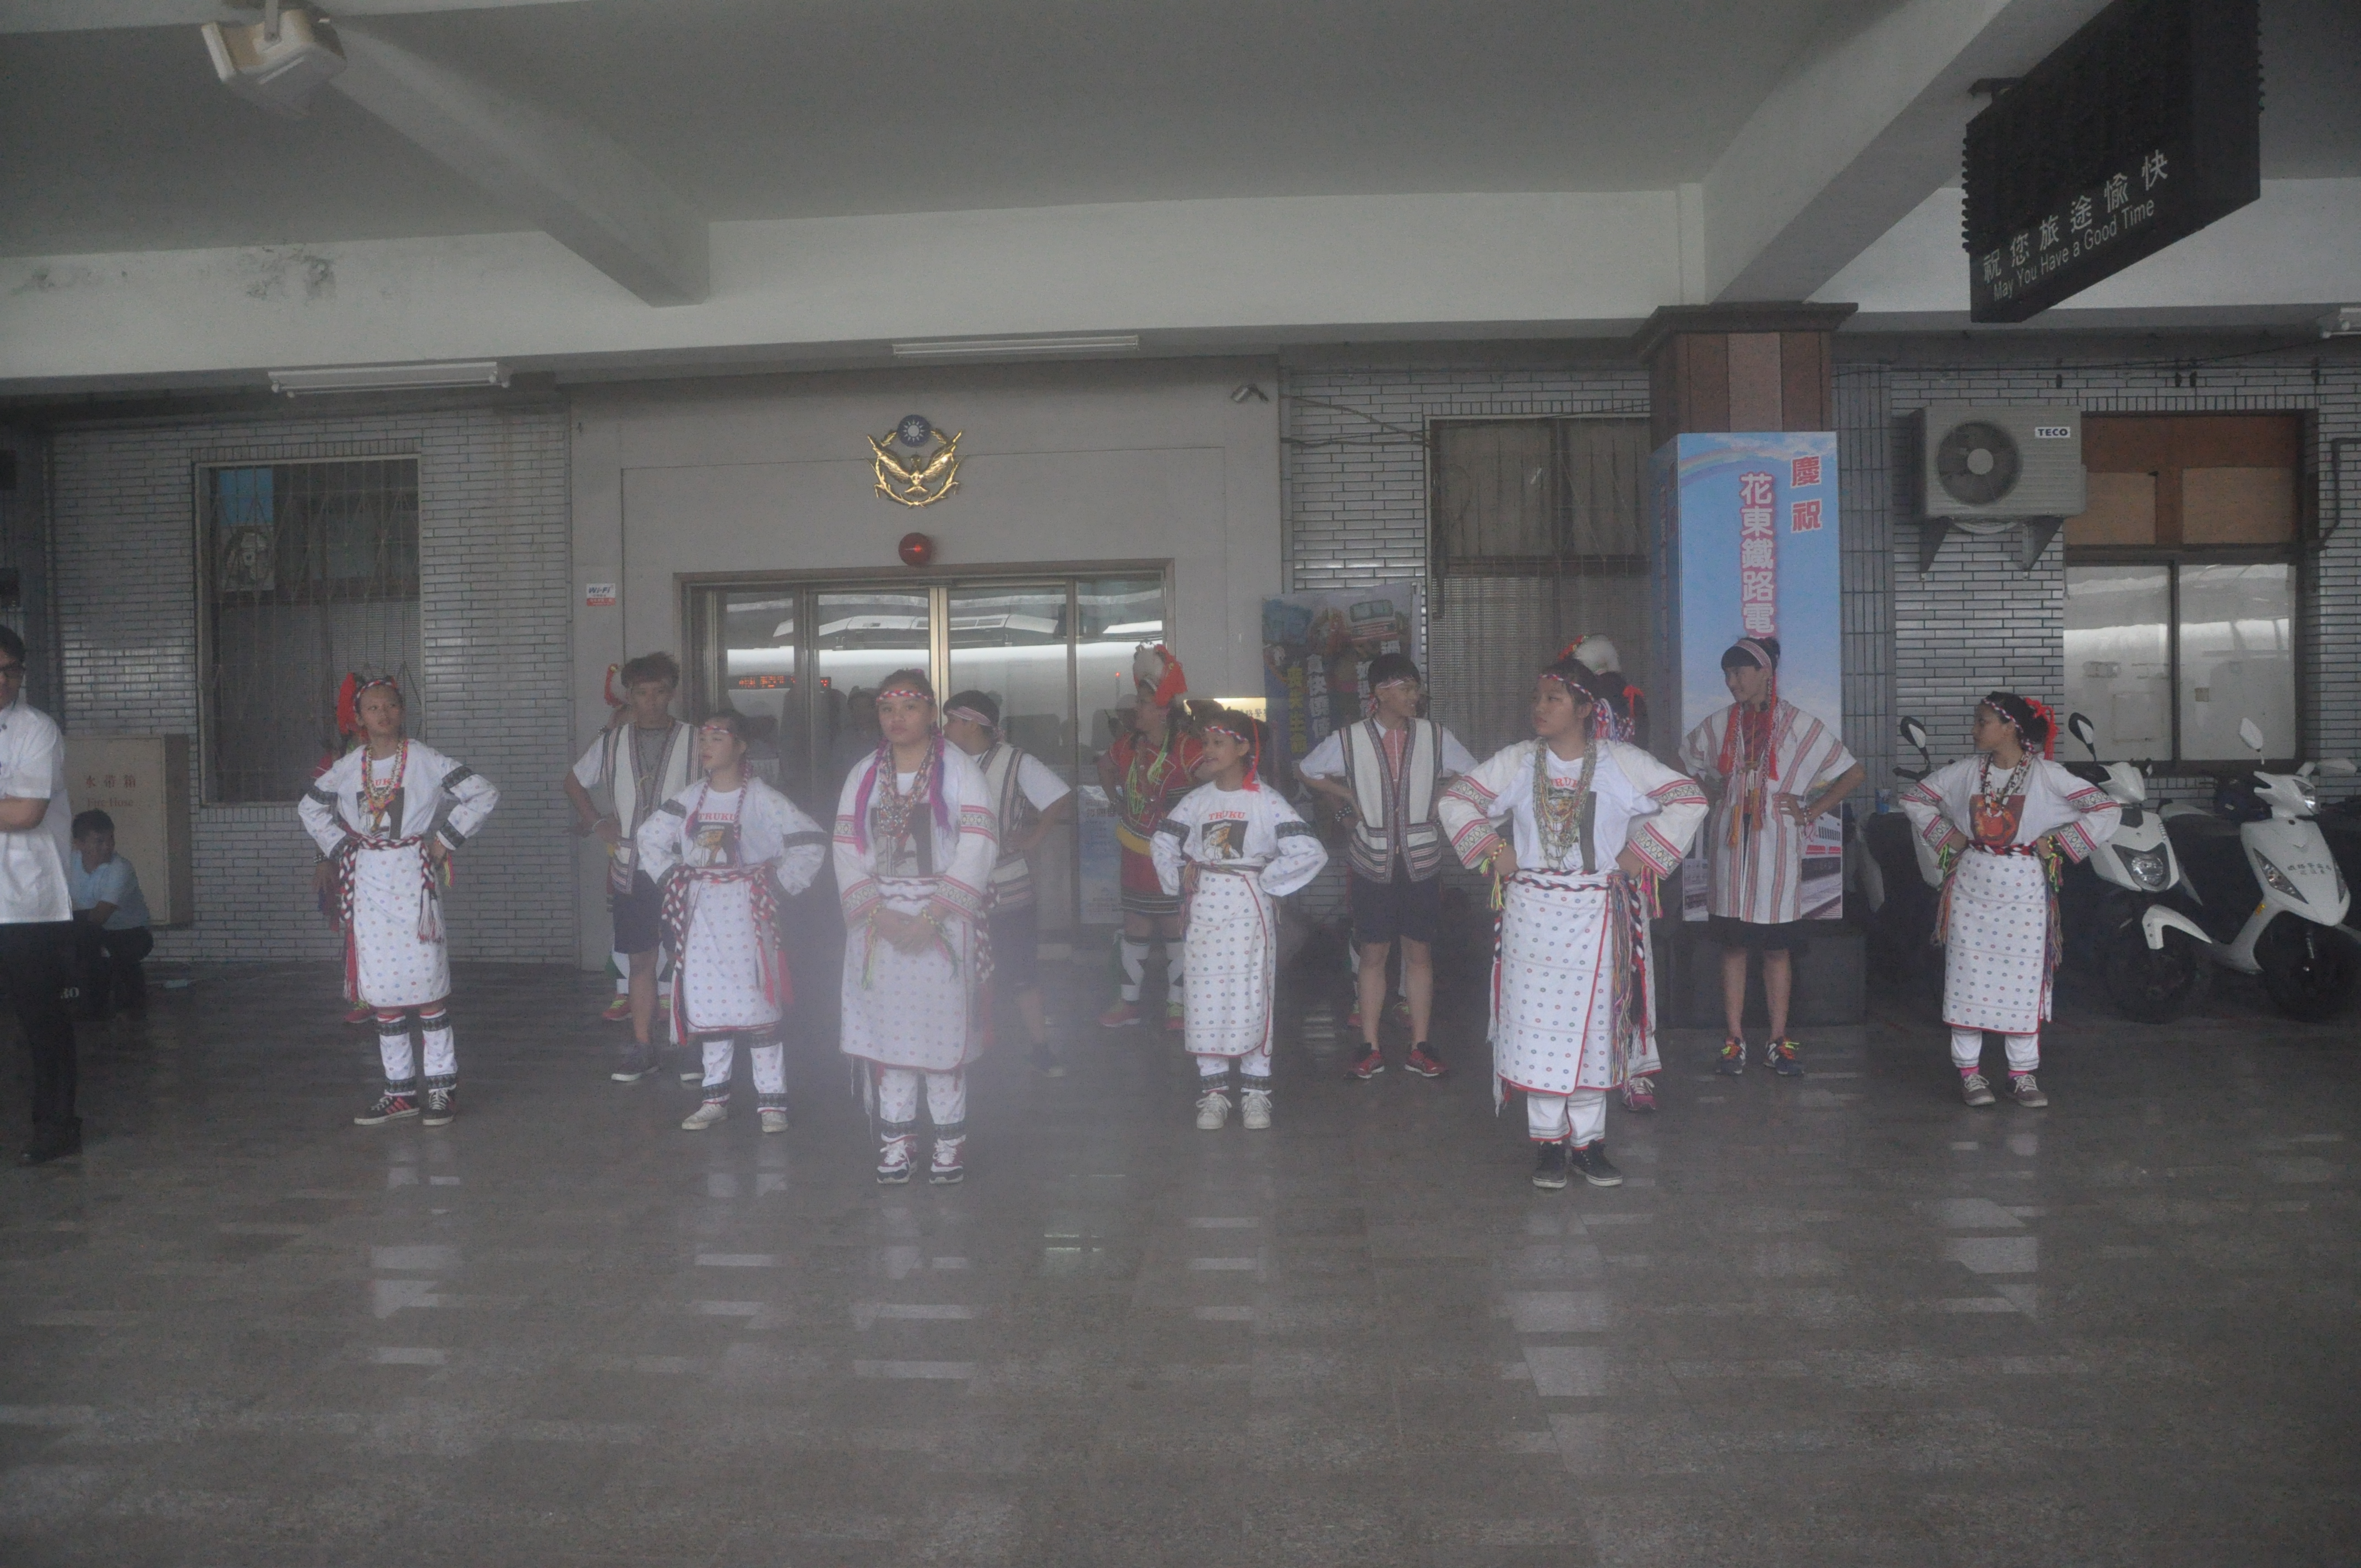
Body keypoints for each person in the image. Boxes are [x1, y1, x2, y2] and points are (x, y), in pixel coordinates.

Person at [1437, 650, 1705, 1191]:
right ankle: (1547, 1143)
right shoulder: (1517, 761)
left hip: (1596, 912)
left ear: (1584, 707)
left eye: (1553, 699)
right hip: (1532, 913)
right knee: (1538, 1031)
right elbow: (1458, 798)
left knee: (1594, 1030)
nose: (1540, 708)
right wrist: (1493, 849)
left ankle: (1589, 1143)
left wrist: (1642, 854)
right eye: (1537, 699)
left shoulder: (1620, 761)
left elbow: (1687, 797)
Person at [1901, 692, 2119, 1109]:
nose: (1974, 729)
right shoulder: (1965, 772)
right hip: (1972, 885)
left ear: (2010, 728)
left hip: (2024, 889)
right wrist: (1949, 839)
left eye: (1982, 722)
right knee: (1968, 979)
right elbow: (1915, 799)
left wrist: (2056, 843)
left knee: (2022, 982)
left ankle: (2022, 1075)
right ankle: (1970, 1074)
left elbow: (2106, 808)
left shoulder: (2047, 775)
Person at [299, 677, 500, 1128]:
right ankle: (400, 1091)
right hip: (367, 879)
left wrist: (445, 839)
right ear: (359, 718)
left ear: (402, 712)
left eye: (390, 705)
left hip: (412, 875)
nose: (383, 714)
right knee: (385, 995)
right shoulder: (349, 768)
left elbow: (483, 792)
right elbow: (310, 808)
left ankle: (442, 1088)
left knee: (427, 987)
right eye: (373, 708)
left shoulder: (425, 760)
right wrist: (341, 848)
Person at [834, 668, 997, 1185]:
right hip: (878, 923)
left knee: (940, 1040)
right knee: (890, 1041)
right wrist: (879, 915)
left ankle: (949, 1145)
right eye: (887, 709)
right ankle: (896, 1143)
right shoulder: (863, 774)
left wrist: (933, 916)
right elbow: (843, 848)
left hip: (942, 924)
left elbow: (978, 845)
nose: (897, 718)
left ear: (931, 712)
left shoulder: (961, 770)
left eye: (908, 707)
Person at [1677, 637, 1863, 1082]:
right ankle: (1735, 1037)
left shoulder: (1799, 725)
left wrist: (1813, 810)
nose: (1732, 681)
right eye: (1727, 674)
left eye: (1740, 672)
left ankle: (1779, 1039)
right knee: (1735, 944)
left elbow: (1853, 772)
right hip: (1731, 846)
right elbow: (1685, 761)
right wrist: (1711, 797)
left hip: (1778, 845)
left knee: (1777, 947)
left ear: (1766, 673)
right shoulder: (1722, 723)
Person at [637, 712, 827, 1133]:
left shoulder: (763, 797)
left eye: (718, 738)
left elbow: (810, 840)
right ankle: (714, 1096)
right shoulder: (690, 797)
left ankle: (771, 1100)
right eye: (703, 738)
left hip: (747, 909)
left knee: (757, 1002)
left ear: (741, 747)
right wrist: (674, 877)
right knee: (711, 1005)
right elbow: (649, 837)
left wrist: (775, 884)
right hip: (701, 910)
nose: (707, 746)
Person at [1297, 652, 1477, 1080]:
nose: (1415, 696)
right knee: (1373, 953)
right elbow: (1307, 771)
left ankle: (1420, 1044)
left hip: (1422, 859)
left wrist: (1441, 800)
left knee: (1419, 953)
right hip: (1371, 859)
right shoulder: (1351, 739)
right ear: (1380, 693)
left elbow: (1471, 771)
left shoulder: (1435, 736)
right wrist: (1347, 801)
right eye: (1407, 688)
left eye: (1415, 688)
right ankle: (1370, 1046)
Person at [1153, 707, 1329, 1132]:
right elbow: (1162, 841)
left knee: (1253, 995)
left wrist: (1267, 879)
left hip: (1250, 910)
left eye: (1217, 743)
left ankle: (1256, 1095)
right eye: (1205, 743)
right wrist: (1180, 877)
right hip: (1205, 911)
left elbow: (1310, 851)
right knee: (1203, 999)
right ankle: (1213, 1094)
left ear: (1244, 748)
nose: (1207, 751)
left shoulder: (1266, 801)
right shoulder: (1196, 801)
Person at [564, 653, 695, 1081]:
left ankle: (694, 1045)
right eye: (642, 693)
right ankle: (643, 1046)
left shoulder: (698, 740)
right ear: (630, 695)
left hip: (686, 868)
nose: (652, 702)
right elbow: (573, 781)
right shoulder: (612, 742)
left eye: (660, 692)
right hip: (632, 866)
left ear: (672, 693)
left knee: (690, 958)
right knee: (641, 960)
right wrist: (598, 822)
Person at [943, 690, 1076, 1077]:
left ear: (971, 723)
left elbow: (1058, 797)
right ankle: (957, 1046)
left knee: (1020, 967)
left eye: (952, 719)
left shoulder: (1016, 761)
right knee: (954, 965)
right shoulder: (940, 761)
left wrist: (1033, 838)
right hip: (953, 882)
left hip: (1006, 879)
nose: (946, 728)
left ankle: (1039, 1047)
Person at [0, 627, 83, 1165]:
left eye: (10, 670)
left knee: (41, 1019)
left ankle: (56, 1123)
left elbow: (26, 813)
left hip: (28, 903)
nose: (3, 680)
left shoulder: (37, 730)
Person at [1095, 644, 1204, 1031]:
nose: (1136, 710)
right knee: (1136, 924)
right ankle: (1129, 1004)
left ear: (1163, 710)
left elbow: (1216, 782)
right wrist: (1115, 800)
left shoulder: (1189, 749)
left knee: (1176, 926)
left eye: (1143, 703)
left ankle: (1178, 1006)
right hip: (1136, 849)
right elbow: (1104, 766)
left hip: (1176, 854)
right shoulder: (1127, 745)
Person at [68, 810, 153, 1020]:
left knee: (95, 946)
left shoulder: (120, 868)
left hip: (129, 932)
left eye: (110, 839)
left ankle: (125, 999)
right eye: (99, 841)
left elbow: (100, 916)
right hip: (90, 929)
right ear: (79, 844)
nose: (107, 847)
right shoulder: (68, 863)